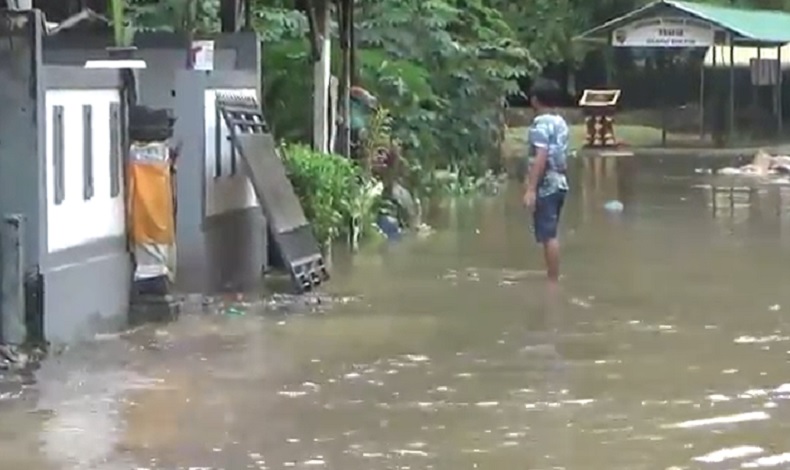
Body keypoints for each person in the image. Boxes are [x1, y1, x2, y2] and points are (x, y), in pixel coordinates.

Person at [522, 78, 569, 283]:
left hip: (547, 184)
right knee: (551, 232)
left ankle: (552, 281)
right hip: (560, 182)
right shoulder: (561, 122)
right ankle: (552, 276)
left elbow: (540, 156)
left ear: (535, 100)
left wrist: (531, 188)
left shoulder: (540, 124)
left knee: (548, 235)